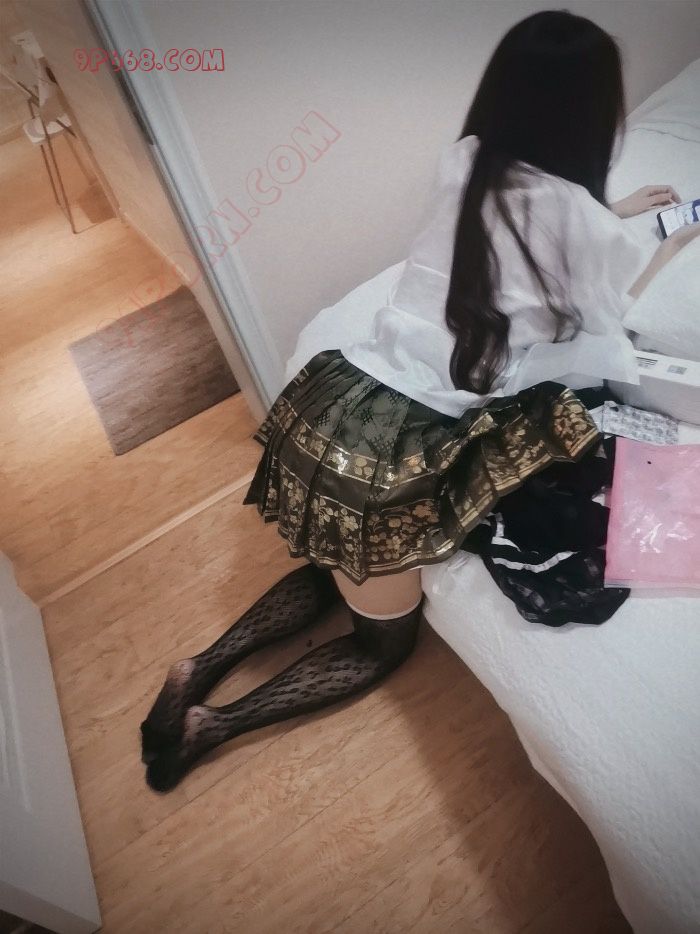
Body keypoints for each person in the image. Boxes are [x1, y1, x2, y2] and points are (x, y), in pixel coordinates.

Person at [142, 9, 700, 792]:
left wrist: (611, 215)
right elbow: (601, 331)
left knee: (334, 569)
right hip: (385, 455)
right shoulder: (582, 223)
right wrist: (666, 240)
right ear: (591, 114)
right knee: (383, 642)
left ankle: (192, 668)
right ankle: (214, 724)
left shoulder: (464, 161)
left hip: (328, 403)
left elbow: (521, 231)